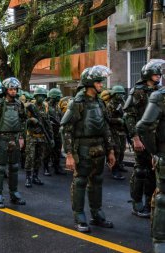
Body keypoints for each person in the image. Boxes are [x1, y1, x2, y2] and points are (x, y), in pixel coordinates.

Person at [61, 65, 116, 232]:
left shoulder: (100, 102)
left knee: (97, 182)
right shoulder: (77, 103)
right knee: (80, 182)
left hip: (99, 148)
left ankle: (97, 214)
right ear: (89, 83)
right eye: (99, 82)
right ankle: (79, 216)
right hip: (83, 149)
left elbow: (105, 127)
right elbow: (65, 128)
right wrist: (69, 154)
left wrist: (110, 150)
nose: (102, 85)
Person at [124, 60, 162, 218]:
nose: (158, 76)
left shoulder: (159, 91)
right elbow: (129, 115)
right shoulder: (137, 91)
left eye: (159, 74)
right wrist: (135, 138)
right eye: (155, 74)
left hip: (156, 138)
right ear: (147, 75)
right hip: (142, 136)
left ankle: (149, 203)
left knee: (154, 172)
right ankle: (137, 203)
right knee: (140, 171)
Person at [136, 61, 165, 252]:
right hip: (159, 147)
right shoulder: (155, 95)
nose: (158, 77)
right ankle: (159, 240)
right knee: (161, 197)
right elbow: (139, 123)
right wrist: (155, 151)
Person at [0, 77, 26, 208]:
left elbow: (23, 121)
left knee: (14, 167)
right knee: (0, 168)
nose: (13, 91)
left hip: (15, 138)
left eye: (15, 89)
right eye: (11, 89)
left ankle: (14, 193)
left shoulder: (19, 104)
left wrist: (21, 137)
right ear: (6, 90)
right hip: (2, 139)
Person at [24, 87, 54, 187]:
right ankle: (28, 178)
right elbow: (23, 121)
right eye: (39, 96)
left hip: (42, 137)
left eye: (42, 96)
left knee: (38, 158)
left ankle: (35, 176)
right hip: (32, 136)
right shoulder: (30, 107)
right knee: (30, 157)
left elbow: (48, 124)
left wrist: (51, 137)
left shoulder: (45, 108)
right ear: (35, 97)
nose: (41, 98)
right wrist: (31, 119)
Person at [105, 85, 127, 180]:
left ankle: (120, 164)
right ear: (114, 94)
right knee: (116, 150)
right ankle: (114, 169)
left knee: (122, 149)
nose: (121, 95)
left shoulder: (123, 102)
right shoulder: (110, 105)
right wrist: (118, 120)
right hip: (114, 131)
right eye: (119, 94)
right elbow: (107, 119)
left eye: (122, 93)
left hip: (122, 130)